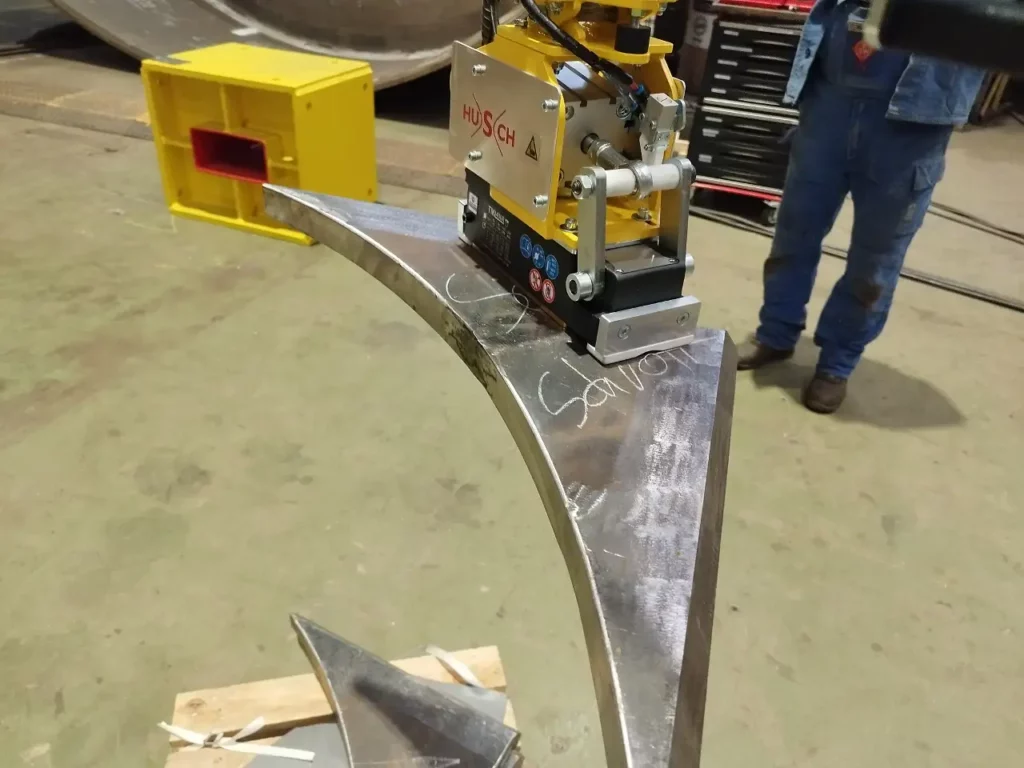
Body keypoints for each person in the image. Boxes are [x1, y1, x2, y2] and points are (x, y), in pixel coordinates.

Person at [737, 0, 985, 413]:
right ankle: (776, 334)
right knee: (794, 232)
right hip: (830, 101)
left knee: (876, 260)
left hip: (915, 119)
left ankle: (837, 364)